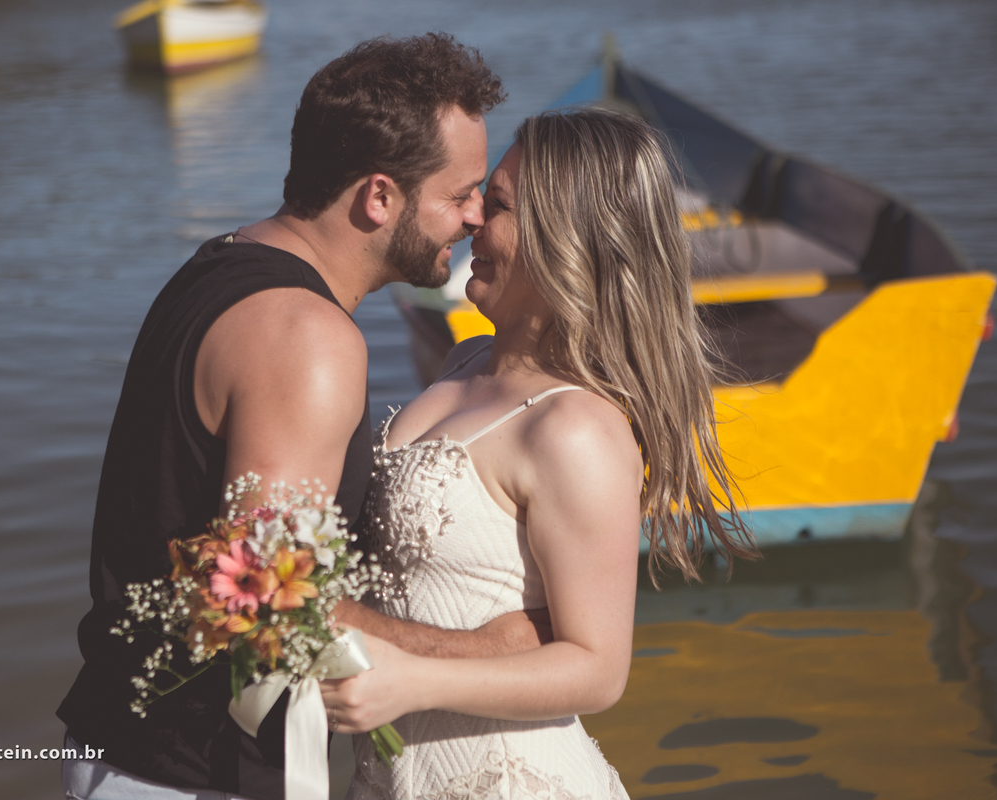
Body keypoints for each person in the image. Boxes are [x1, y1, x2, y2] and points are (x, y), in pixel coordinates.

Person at [55, 34, 551, 800]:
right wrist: (488, 647)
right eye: (459, 194)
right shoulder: (310, 340)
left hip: (123, 745)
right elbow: (269, 609)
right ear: (379, 197)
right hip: (191, 775)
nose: (476, 217)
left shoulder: (220, 264)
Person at [322, 108, 759, 799]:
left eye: (494, 205)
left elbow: (597, 668)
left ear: (564, 241)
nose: (470, 221)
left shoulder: (575, 428)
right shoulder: (465, 361)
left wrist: (412, 678)